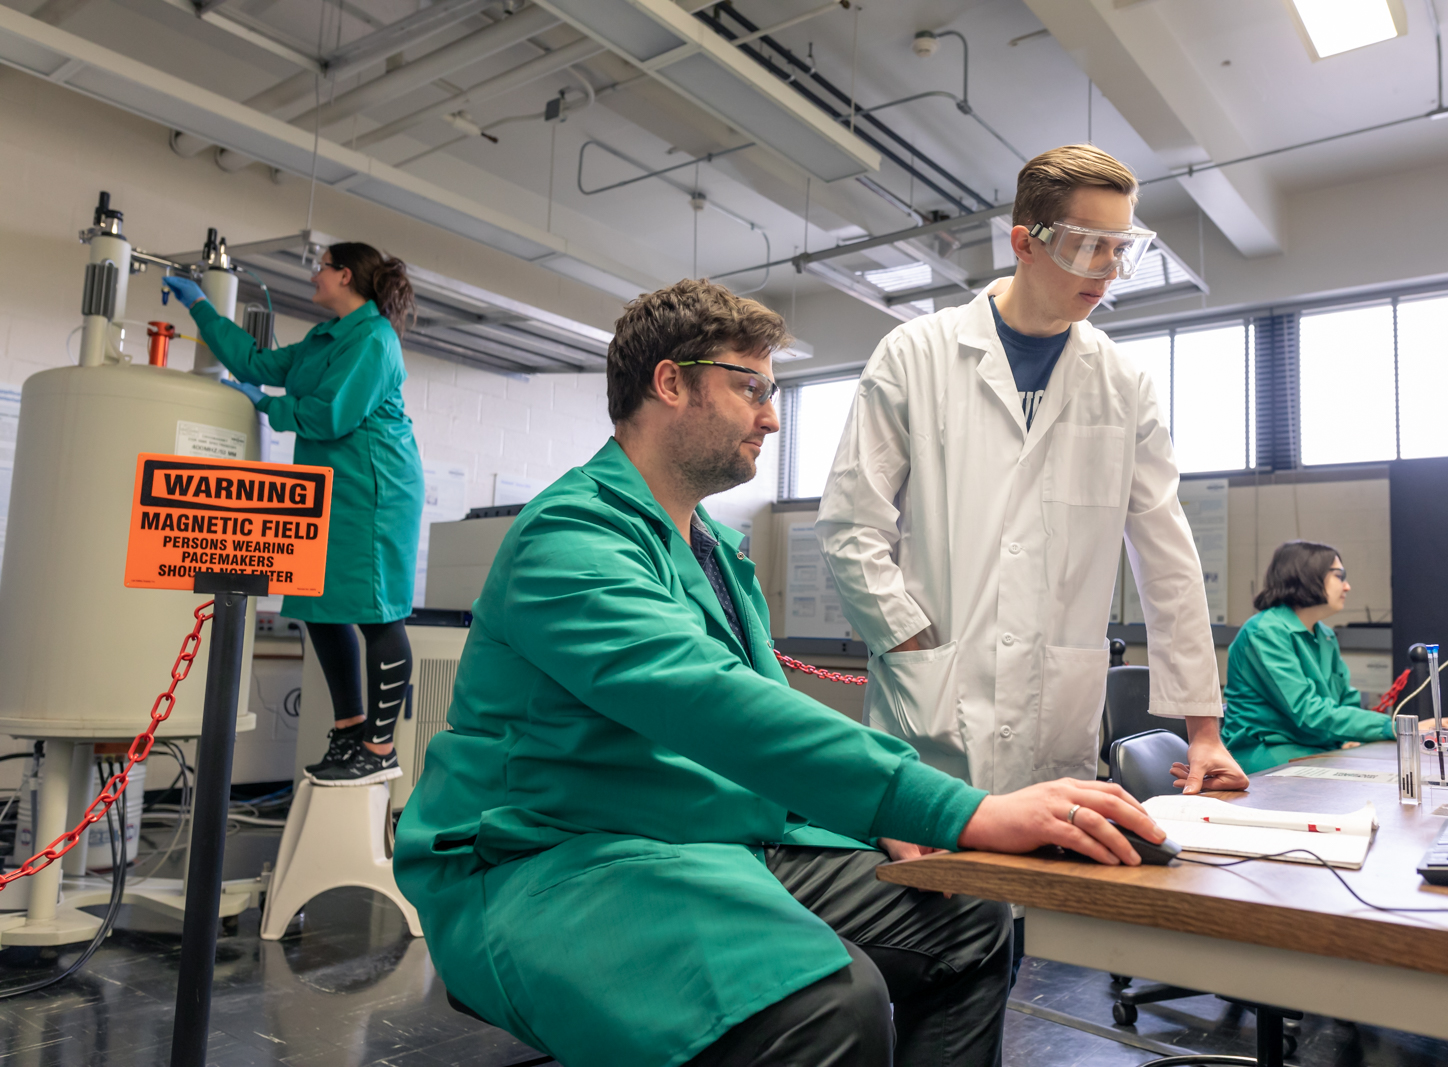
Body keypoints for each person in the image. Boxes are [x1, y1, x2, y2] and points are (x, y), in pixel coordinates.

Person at [393, 279, 1167, 1067]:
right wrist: (960, 809)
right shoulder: (570, 536)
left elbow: (754, 722)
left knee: (970, 918)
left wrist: (878, 818)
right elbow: (711, 704)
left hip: (704, 836)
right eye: (750, 387)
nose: (769, 416)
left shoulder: (717, 553)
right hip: (552, 855)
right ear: (669, 382)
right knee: (831, 1004)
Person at [817, 146, 1246, 882]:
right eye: (1089, 245)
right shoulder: (914, 355)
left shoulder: (1123, 383)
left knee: (1029, 932)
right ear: (1025, 241)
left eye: (1122, 249)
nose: (1108, 269)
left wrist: (1203, 730)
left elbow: (1167, 554)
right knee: (927, 925)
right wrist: (912, 639)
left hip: (1054, 717)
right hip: (931, 713)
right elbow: (851, 526)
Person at [162, 244, 425, 786]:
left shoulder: (375, 339)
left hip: (375, 490)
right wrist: (201, 308)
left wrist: (262, 404)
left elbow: (330, 415)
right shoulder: (325, 338)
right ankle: (351, 729)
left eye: (322, 266)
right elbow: (256, 364)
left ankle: (379, 748)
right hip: (331, 489)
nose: (314, 274)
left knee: (378, 613)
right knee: (318, 607)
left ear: (345, 275)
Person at [1222, 540, 1448, 773]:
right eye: (1339, 575)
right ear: (1306, 575)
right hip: (1265, 753)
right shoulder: (1264, 632)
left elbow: (1345, 700)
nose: (1347, 587)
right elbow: (1309, 713)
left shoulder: (1324, 634)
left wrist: (1351, 735)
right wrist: (1398, 727)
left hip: (1314, 748)